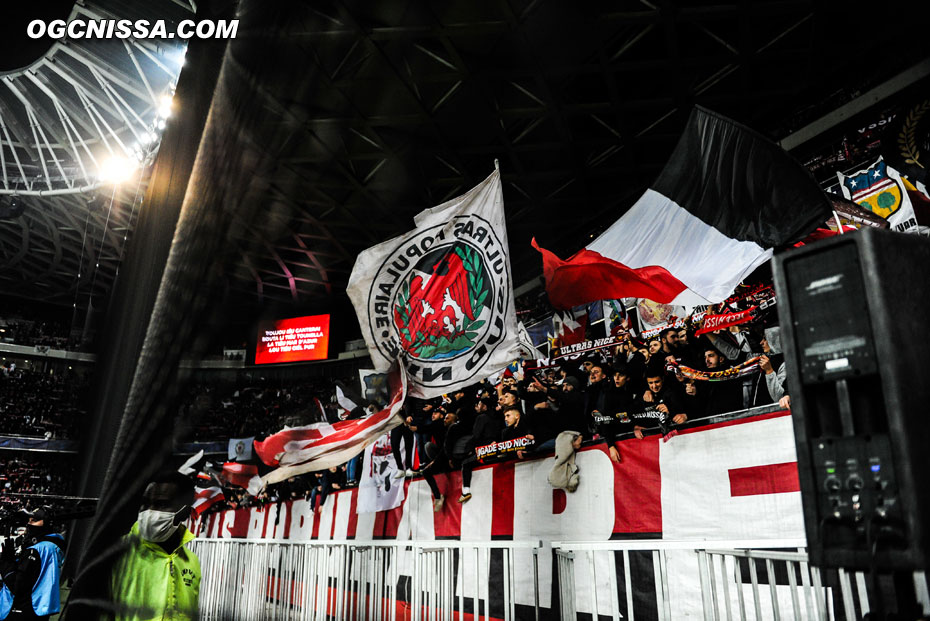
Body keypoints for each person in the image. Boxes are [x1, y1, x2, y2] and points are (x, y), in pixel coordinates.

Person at [106, 471, 200, 621]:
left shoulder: (191, 561)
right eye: (145, 504)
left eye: (162, 504)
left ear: (185, 512)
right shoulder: (115, 553)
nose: (149, 512)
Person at [6, 509, 64, 620]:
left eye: (35, 520)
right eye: (29, 520)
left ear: (48, 523)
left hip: (29, 606)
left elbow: (17, 585)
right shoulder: (55, 544)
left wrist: (6, 564)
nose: (29, 524)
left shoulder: (38, 549)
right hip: (42, 606)